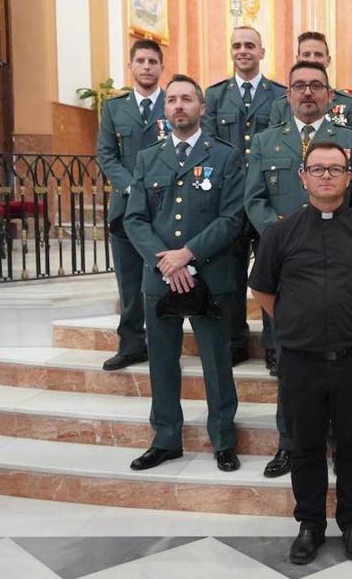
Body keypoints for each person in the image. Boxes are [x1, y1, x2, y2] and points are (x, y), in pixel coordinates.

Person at [249, 141, 352, 565]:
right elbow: (262, 287)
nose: (327, 176)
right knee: (306, 448)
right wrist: (295, 320)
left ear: (349, 177)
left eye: (336, 169)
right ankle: (310, 524)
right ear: (303, 177)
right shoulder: (280, 233)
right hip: (301, 362)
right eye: (318, 169)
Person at [244, 60, 352, 478]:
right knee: (292, 365)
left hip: (344, 264)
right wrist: (284, 239)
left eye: (316, 86)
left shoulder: (351, 141)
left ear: (328, 94)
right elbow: (254, 200)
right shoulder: (266, 141)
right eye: (299, 86)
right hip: (288, 267)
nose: (307, 93)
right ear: (288, 94)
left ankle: (342, 444)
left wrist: (343, 237)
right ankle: (290, 443)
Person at [123, 74, 245, 473]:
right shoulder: (147, 157)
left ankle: (224, 440)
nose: (178, 105)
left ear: (201, 108)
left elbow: (232, 217)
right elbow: (135, 219)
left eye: (187, 99)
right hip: (160, 277)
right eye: (172, 99)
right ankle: (165, 439)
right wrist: (167, 260)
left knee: (216, 361)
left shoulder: (225, 156)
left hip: (209, 276)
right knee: (161, 361)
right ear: (165, 108)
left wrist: (188, 255)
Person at [202, 26, 286, 370]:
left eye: (250, 45)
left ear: (262, 51)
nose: (243, 51)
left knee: (272, 274)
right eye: (237, 45)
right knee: (230, 276)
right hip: (230, 200)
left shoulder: (279, 95)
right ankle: (234, 340)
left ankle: (273, 345)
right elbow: (208, 149)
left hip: (267, 197)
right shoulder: (216, 96)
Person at [95, 38, 165, 371]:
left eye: (153, 61)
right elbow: (106, 154)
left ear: (161, 67)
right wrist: (132, 188)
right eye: (141, 61)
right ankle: (131, 344)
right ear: (131, 66)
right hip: (125, 209)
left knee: (164, 277)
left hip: (166, 208)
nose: (147, 66)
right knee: (129, 280)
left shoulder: (176, 103)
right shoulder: (114, 108)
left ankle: (164, 343)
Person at [269, 31, 352, 129]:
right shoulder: (280, 106)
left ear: (328, 60)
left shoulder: (349, 104)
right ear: (298, 60)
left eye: (318, 55)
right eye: (306, 54)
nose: (312, 60)